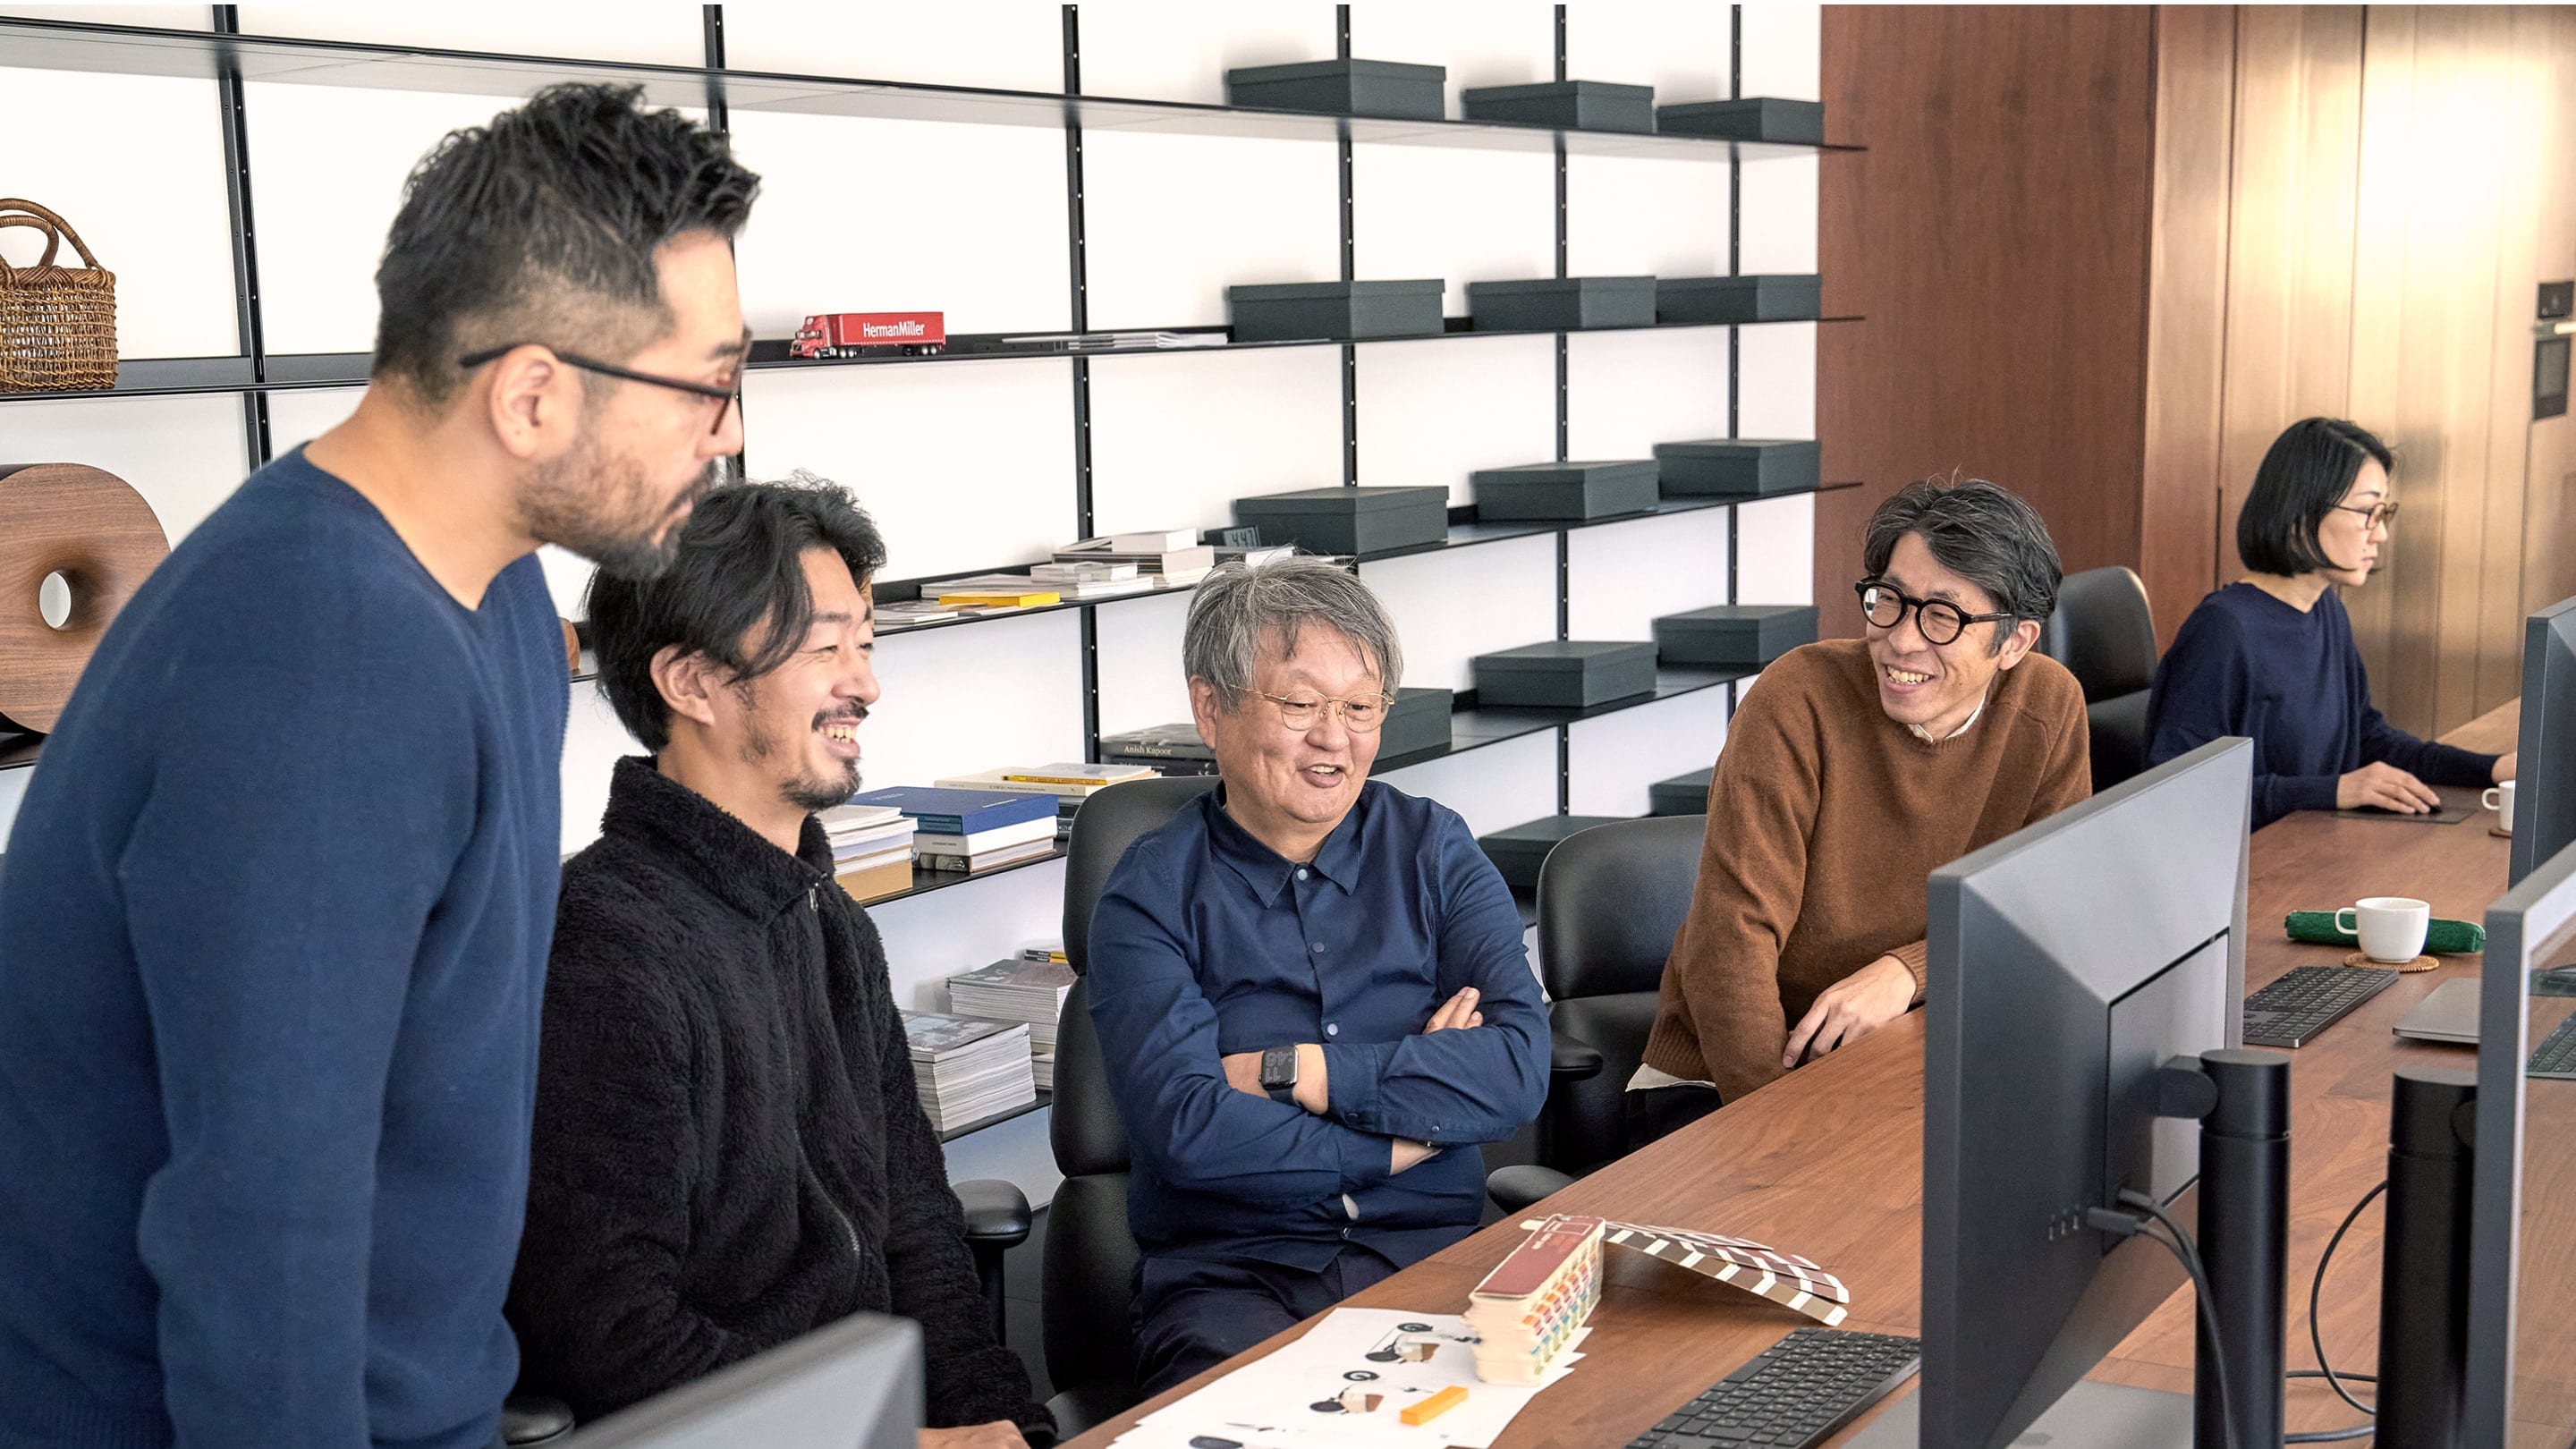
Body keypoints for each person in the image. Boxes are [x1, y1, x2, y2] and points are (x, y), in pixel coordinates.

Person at [0, 84, 757, 1449]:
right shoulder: (316, 656)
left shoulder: (503, 598)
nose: (730, 432)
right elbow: (258, 1234)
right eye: (709, 383)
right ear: (531, 395)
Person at [506, 478, 1050, 1448]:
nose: (867, 685)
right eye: (826, 648)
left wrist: (1000, 1422)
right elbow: (609, 1337)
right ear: (692, 683)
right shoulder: (597, 952)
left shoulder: (832, 923)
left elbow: (917, 1229)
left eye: (867, 646)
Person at [1086, 558, 1549, 1396]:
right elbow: (1188, 1131)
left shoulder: (1434, 849)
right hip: (1234, 1277)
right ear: (1210, 709)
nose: (1335, 737)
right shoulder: (1148, 891)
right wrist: (1408, 1134)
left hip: (1438, 1259)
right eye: (1300, 704)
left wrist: (1296, 1073)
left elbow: (1517, 1069)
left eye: (1360, 706)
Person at [1631, 479, 2091, 1139]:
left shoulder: (2049, 708)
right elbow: (1729, 946)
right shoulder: (1797, 701)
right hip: (1736, 1083)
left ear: (2015, 643)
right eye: (1889, 602)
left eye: (1942, 616)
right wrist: (1779, 1128)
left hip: (1907, 1060)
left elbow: (2043, 907)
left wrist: (1908, 971)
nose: (1902, 640)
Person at [2145, 417, 2514, 828]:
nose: (2381, 535)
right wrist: (2334, 790)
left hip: (2316, 849)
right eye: (2366, 512)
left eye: (2384, 511)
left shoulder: (2327, 611)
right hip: (2252, 871)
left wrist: (2493, 769)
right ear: (2301, 511)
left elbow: (2370, 741)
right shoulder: (2223, 631)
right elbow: (2178, 793)